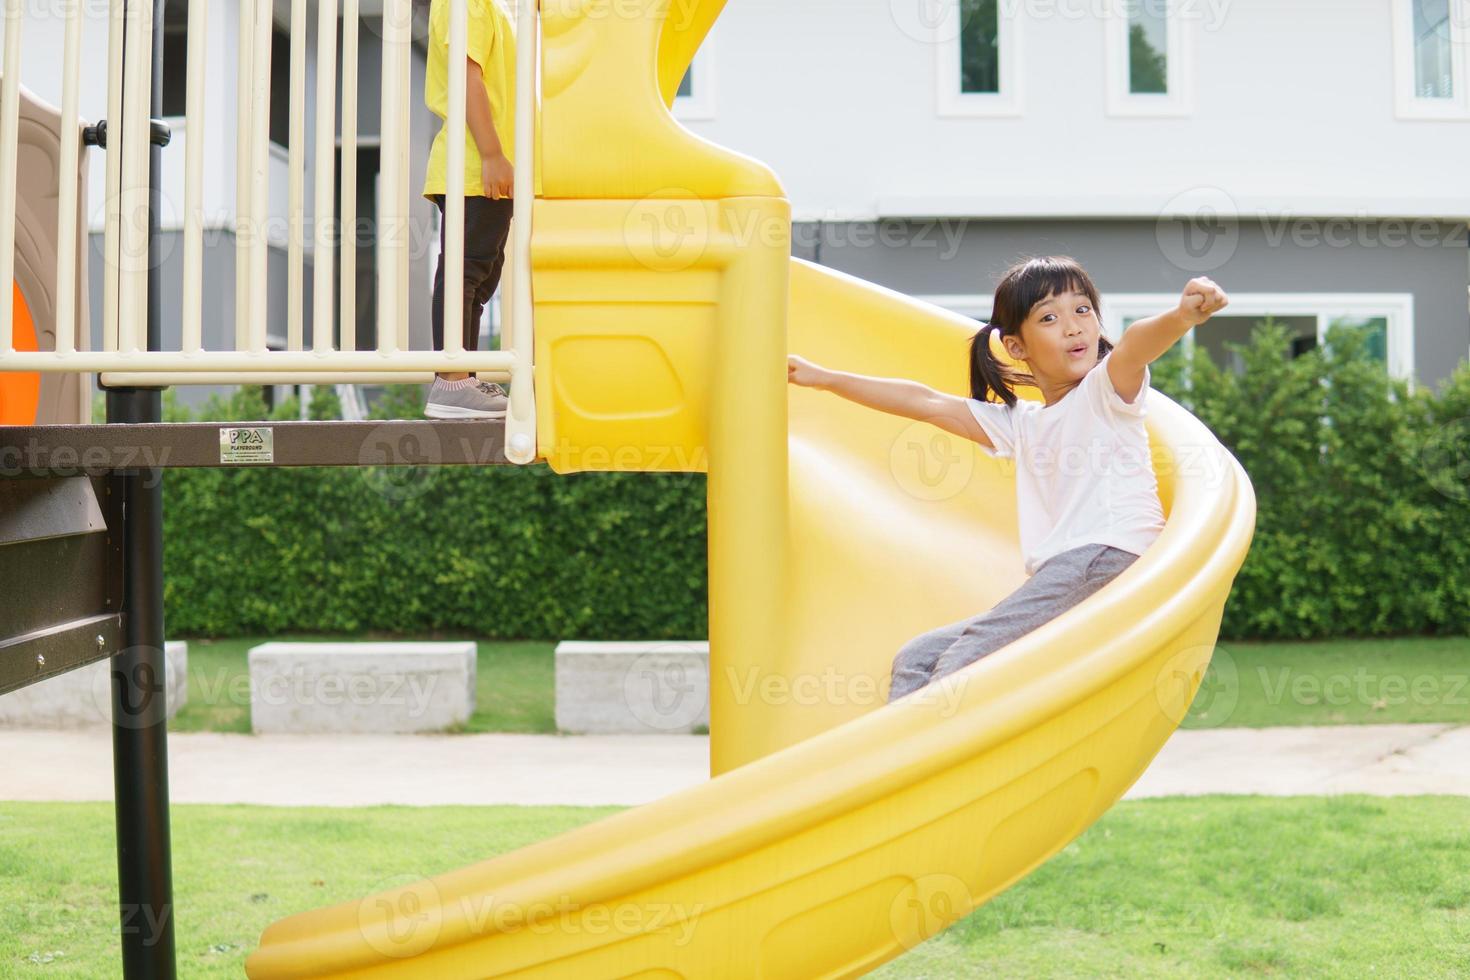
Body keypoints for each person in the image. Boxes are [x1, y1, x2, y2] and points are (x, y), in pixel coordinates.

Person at [786, 255, 1229, 704]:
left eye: (1083, 310)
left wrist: (1181, 317)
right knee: (919, 656)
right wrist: (825, 379)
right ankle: (907, 757)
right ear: (1017, 347)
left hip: (1108, 555)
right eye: (1050, 318)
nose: (1074, 327)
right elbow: (925, 402)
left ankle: (933, 760)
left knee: (966, 665)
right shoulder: (1023, 423)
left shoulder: (1107, 392)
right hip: (1068, 571)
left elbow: (1135, 345)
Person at [420, 0, 517, 419]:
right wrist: (493, 154)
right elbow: (466, 75)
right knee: (466, 269)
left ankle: (462, 377)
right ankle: (452, 380)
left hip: (489, 167)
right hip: (475, 164)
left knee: (482, 275)